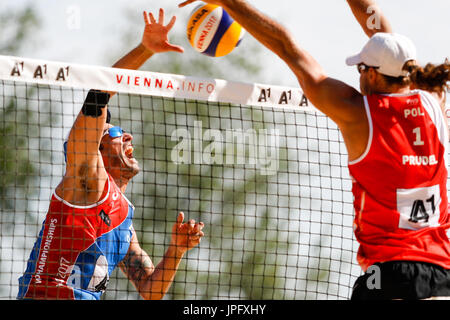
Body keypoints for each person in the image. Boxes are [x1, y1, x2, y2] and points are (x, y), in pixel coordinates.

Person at [179, 0, 450, 299]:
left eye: (361, 68)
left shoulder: (358, 113)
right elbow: (391, 43)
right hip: (441, 274)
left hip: (388, 275)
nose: (358, 76)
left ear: (372, 74)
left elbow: (286, 45)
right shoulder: (433, 102)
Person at [17, 8, 204, 300]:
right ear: (97, 149)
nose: (127, 135)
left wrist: (176, 250)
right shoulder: (84, 177)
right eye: (115, 132)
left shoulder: (124, 221)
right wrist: (144, 49)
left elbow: (150, 290)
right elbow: (97, 97)